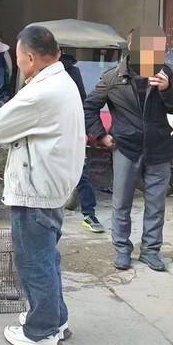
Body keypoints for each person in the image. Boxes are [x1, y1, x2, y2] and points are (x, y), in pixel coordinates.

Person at [0, 25, 85, 345]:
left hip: (36, 189)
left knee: (34, 262)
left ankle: (41, 332)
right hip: (52, 185)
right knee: (47, 258)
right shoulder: (63, 80)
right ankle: (56, 319)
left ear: (29, 57)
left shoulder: (42, 92)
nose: (17, 63)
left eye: (17, 57)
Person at [83, 25, 173, 272]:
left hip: (158, 148)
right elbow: (89, 107)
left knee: (156, 204)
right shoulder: (113, 77)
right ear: (132, 46)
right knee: (122, 203)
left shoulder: (164, 72)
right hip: (126, 148)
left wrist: (167, 89)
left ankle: (150, 251)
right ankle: (122, 250)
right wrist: (101, 136)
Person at [60, 51, 104, 233]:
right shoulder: (38, 70)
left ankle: (89, 214)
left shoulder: (72, 72)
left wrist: (84, 131)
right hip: (45, 131)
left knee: (80, 172)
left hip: (70, 129)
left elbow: (82, 102)